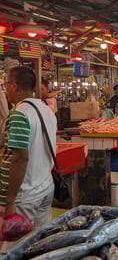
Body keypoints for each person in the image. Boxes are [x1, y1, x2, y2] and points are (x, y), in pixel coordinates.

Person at [0, 67, 56, 227]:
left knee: (12, 248)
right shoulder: (46, 109)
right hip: (45, 187)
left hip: (25, 196)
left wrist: (10, 201)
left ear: (14, 86)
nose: (5, 90)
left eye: (5, 85)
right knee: (40, 242)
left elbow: (20, 158)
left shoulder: (20, 113)